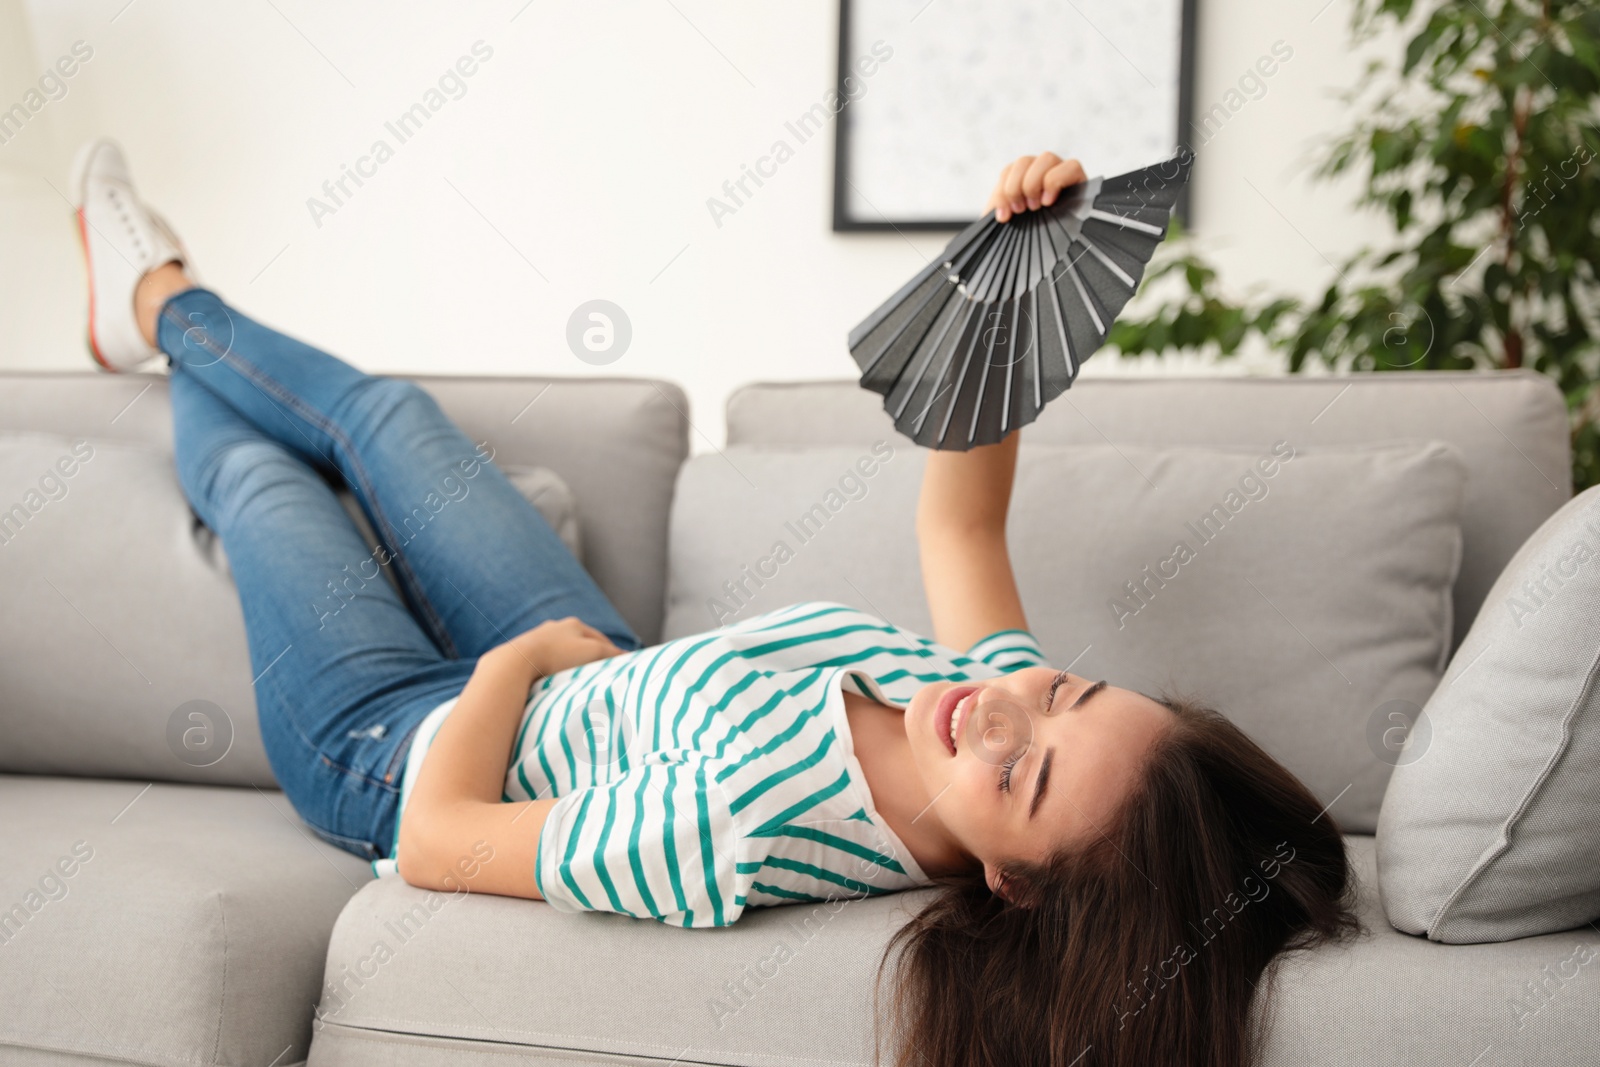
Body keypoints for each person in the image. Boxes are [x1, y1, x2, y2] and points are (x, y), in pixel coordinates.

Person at [73, 139, 1361, 1066]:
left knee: (262, 482)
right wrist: (1011, 267)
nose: (1001, 714)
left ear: (1018, 887)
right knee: (388, 417)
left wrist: (515, 664)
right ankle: (165, 309)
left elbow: (436, 841)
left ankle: (153, 299)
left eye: (1026, 780)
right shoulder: (987, 700)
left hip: (396, 748)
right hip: (599, 669)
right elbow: (962, 513)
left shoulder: (736, 830)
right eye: (1066, 690)